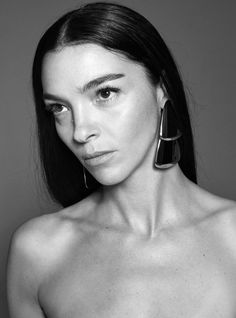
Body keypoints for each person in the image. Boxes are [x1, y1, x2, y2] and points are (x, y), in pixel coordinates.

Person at [7, 2, 236, 317]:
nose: (81, 131)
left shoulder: (232, 237)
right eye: (59, 108)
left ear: (162, 89)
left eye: (104, 93)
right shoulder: (38, 252)